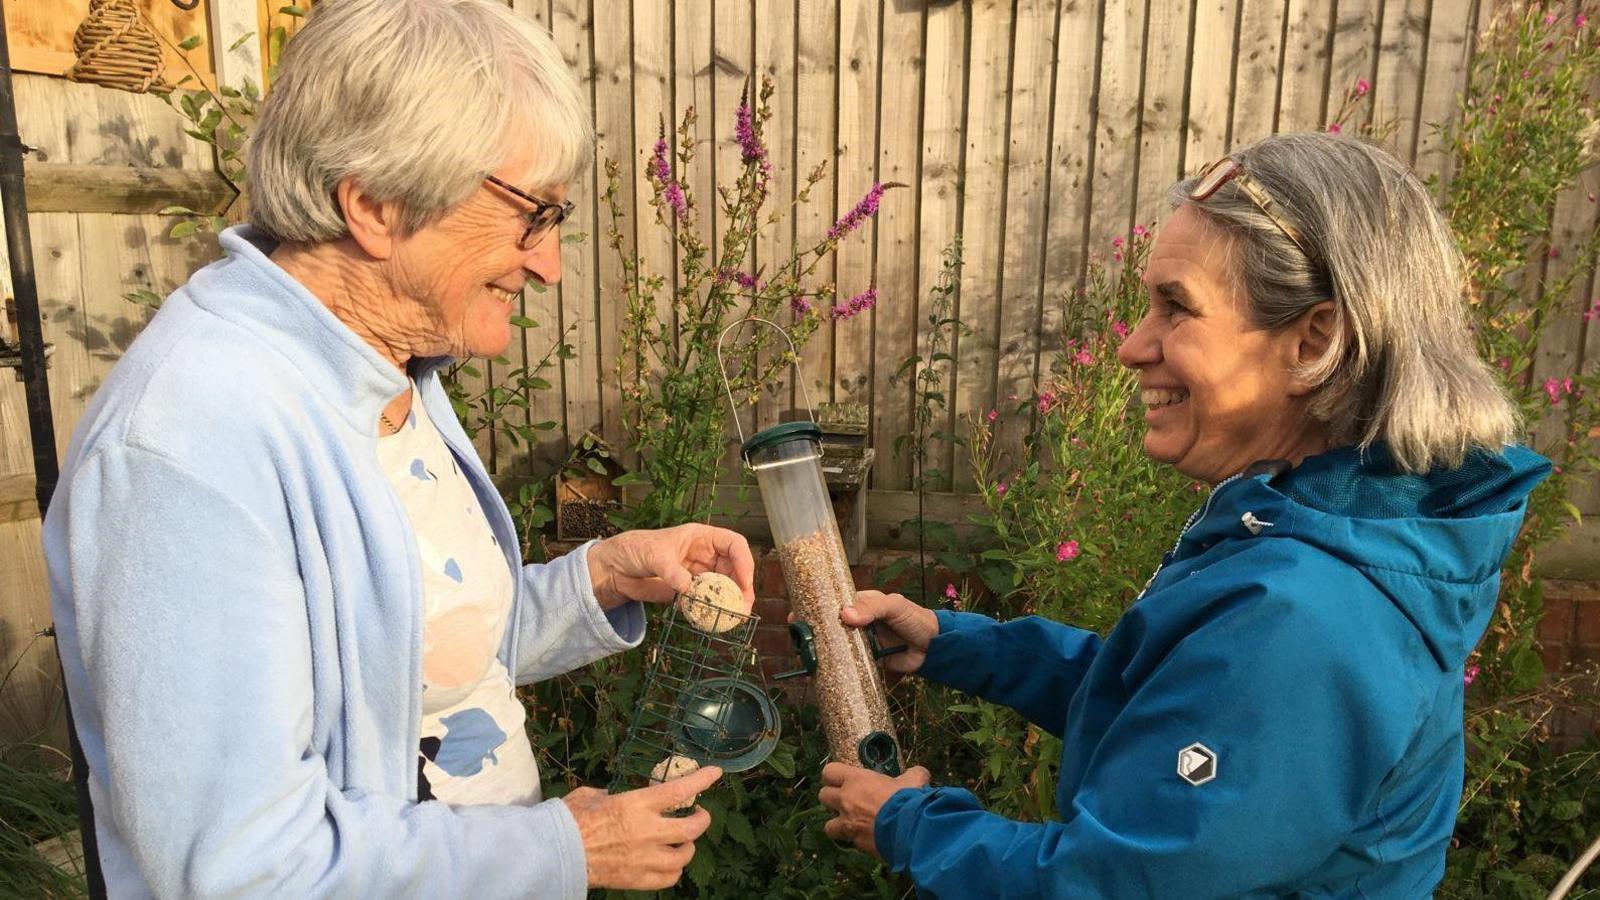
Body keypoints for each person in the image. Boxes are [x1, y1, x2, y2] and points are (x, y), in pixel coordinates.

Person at [42, 0, 752, 895]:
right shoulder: (189, 447)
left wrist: (599, 578)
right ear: (376, 204)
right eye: (535, 214)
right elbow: (239, 868)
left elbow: (409, 663)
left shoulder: (386, 377)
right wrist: (560, 850)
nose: (551, 263)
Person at [818, 132, 1550, 897]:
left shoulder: (1309, 617)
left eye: (1176, 307)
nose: (1133, 347)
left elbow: (1115, 883)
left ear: (1315, 339)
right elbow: (1163, 705)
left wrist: (908, 823)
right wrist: (958, 645)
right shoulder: (1304, 512)